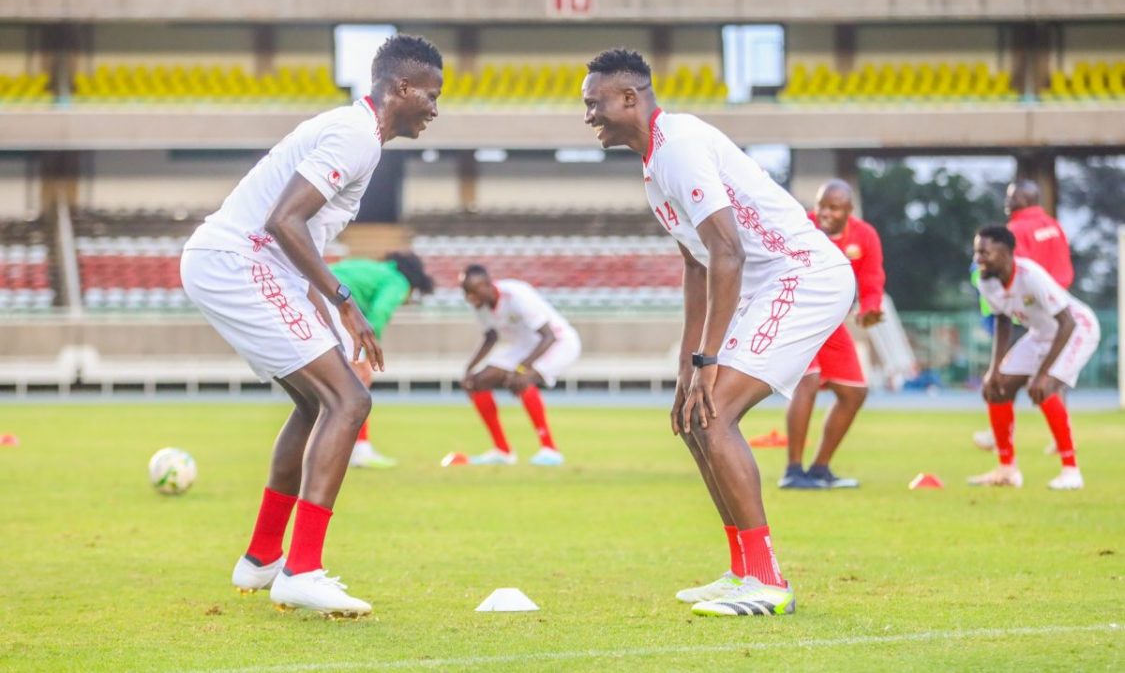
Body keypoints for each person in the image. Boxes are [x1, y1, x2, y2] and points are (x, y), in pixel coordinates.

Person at [581, 48, 854, 617]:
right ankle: (743, 570)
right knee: (695, 418)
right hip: (764, 283)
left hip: (802, 275)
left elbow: (727, 249)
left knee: (717, 412)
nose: (589, 116)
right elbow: (698, 266)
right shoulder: (655, 168)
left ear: (629, 98)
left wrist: (709, 363)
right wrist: (689, 366)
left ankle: (769, 581)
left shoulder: (678, 147)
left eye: (595, 103)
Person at [179, 34, 443, 616]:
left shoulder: (359, 138)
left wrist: (333, 322)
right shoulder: (354, 136)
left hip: (240, 263)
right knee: (349, 401)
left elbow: (304, 250)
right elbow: (284, 222)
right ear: (401, 88)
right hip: (239, 261)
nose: (435, 108)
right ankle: (302, 569)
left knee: (316, 404)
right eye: (430, 93)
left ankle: (261, 558)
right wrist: (345, 301)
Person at [969, 225, 1099, 490]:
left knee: (1045, 389)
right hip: (1041, 333)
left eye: (985, 252)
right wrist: (994, 370)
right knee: (997, 388)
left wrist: (1042, 374)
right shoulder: (985, 281)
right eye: (976, 252)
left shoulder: (1031, 276)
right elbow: (1003, 322)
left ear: (1006, 253)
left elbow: (1067, 323)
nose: (978, 259)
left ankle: (1071, 471)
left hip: (1077, 330)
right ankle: (1007, 470)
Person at [778, 179, 884, 490]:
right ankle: (793, 470)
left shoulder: (865, 236)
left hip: (832, 323)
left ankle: (820, 469)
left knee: (854, 393)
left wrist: (871, 307)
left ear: (849, 211)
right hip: (797, 315)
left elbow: (872, 277)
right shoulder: (801, 227)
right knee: (807, 382)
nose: (824, 213)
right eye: (821, 205)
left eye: (833, 207)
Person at [972, 179, 1075, 451]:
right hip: (1059, 299)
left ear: (1028, 199)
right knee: (1050, 372)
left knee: (1009, 373)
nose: (1008, 202)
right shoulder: (1054, 226)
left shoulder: (1016, 229)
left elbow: (1013, 269)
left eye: (1013, 197)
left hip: (1028, 304)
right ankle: (1059, 435)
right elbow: (1065, 262)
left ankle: (999, 435)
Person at [459, 264, 579, 466]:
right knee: (477, 382)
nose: (470, 297)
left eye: (473, 291)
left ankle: (550, 450)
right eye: (466, 292)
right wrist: (468, 370)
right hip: (525, 346)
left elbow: (548, 336)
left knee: (522, 380)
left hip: (559, 343)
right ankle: (502, 451)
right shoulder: (481, 304)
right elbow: (491, 337)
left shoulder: (516, 295)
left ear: (487, 284)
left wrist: (522, 368)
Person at [325, 253, 435, 468]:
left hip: (313, 298)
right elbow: (380, 311)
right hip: (331, 304)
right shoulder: (398, 281)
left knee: (342, 384)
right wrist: (370, 346)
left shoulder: (376, 270)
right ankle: (359, 450)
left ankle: (348, 447)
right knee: (359, 380)